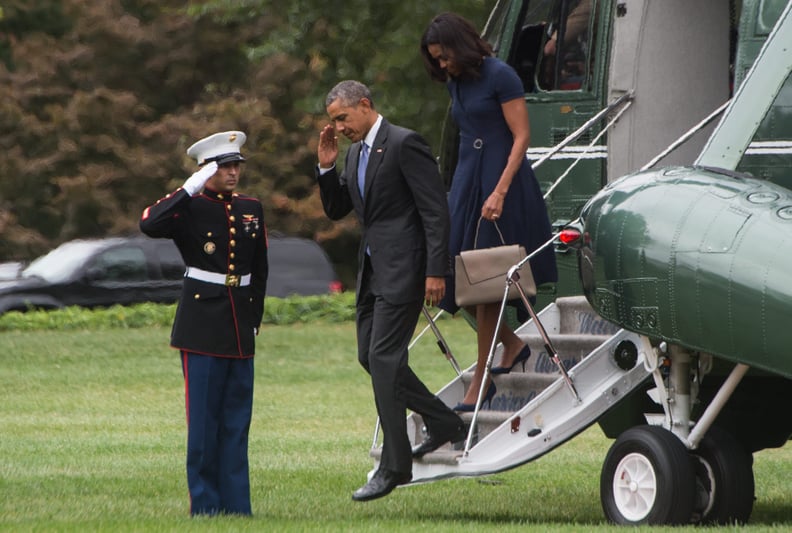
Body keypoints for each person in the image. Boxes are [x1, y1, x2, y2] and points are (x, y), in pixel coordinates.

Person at [315, 80, 466, 502]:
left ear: (365, 106)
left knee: (384, 357)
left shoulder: (404, 144)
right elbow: (336, 209)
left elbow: (435, 211)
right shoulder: (353, 153)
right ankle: (443, 421)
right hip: (372, 270)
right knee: (370, 356)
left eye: (342, 118)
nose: (339, 128)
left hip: (407, 270)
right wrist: (327, 168)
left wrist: (436, 271)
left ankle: (394, 466)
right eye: (333, 122)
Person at [420, 13, 558, 411]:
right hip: (467, 182)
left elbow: (521, 137)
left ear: (460, 45)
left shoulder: (501, 75)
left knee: (486, 285)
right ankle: (512, 344)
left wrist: (499, 191)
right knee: (458, 278)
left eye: (444, 57)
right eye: (436, 60)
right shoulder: (456, 82)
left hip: (503, 185)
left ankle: (480, 382)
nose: (442, 65)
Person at [139, 131, 268, 516]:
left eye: (235, 166)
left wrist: (254, 318)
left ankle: (237, 507)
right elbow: (149, 223)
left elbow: (259, 268)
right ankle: (206, 506)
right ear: (206, 169)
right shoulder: (188, 207)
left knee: (236, 421)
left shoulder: (251, 207)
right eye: (224, 167)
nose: (232, 173)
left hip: (238, 323)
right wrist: (188, 187)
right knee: (204, 423)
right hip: (201, 324)